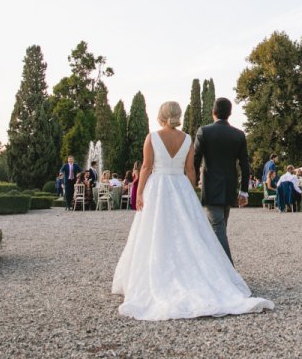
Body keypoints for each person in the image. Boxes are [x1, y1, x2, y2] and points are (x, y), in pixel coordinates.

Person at [112, 100, 273, 321]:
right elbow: (190, 169)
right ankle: (215, 272)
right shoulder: (187, 138)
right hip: (180, 185)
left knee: (155, 232)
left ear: (161, 115)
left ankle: (158, 275)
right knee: (188, 233)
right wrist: (188, 191)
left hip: (158, 187)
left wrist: (139, 193)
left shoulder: (152, 137)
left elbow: (147, 167)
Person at [192, 97, 252, 264]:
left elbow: (195, 160)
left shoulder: (204, 131)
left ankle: (227, 270)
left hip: (211, 187)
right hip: (230, 186)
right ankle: (215, 268)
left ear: (213, 112)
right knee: (220, 227)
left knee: (218, 228)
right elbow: (245, 165)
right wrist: (244, 190)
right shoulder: (239, 135)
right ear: (230, 113)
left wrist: (192, 182)